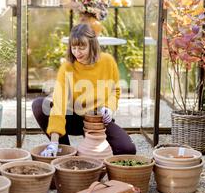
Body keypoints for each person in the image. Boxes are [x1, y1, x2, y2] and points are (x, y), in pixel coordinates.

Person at [32, 23, 136, 157]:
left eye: (82, 48)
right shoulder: (67, 67)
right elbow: (59, 103)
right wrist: (54, 142)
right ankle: (65, 151)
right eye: (73, 48)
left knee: (127, 149)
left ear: (92, 45)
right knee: (40, 105)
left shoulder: (108, 61)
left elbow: (114, 91)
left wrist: (109, 108)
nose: (76, 52)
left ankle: (92, 144)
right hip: (73, 118)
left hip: (98, 120)